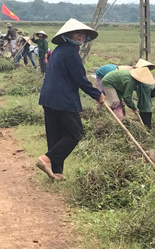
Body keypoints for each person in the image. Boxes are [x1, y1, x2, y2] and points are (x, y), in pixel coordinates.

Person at [36, 18, 105, 181]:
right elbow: (80, 79)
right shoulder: (70, 52)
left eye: (82, 33)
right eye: (77, 33)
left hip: (48, 98)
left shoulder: (59, 50)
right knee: (76, 133)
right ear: (68, 34)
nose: (80, 36)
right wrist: (98, 94)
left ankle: (55, 172)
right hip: (63, 99)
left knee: (56, 134)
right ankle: (46, 159)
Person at [133, 59, 155, 129]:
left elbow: (151, 95)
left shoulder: (147, 82)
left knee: (148, 125)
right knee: (146, 126)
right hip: (143, 107)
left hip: (149, 107)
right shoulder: (139, 82)